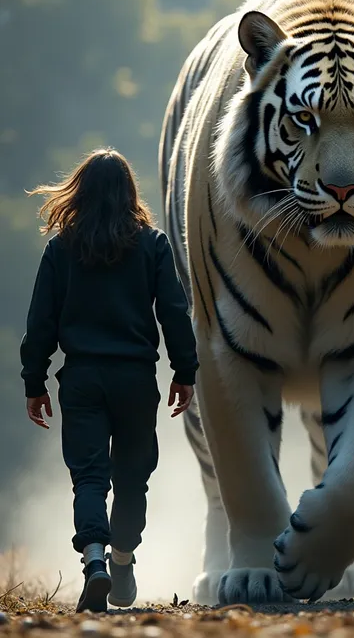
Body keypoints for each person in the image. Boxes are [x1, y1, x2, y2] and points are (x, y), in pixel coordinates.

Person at [20, 148, 199, 613]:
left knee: (89, 478)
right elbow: (175, 313)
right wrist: (185, 371)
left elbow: (40, 322)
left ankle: (95, 560)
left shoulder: (60, 250)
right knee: (134, 478)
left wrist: (34, 381)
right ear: (128, 192)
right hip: (136, 380)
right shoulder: (153, 245)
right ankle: (121, 559)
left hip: (81, 379)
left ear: (80, 192)